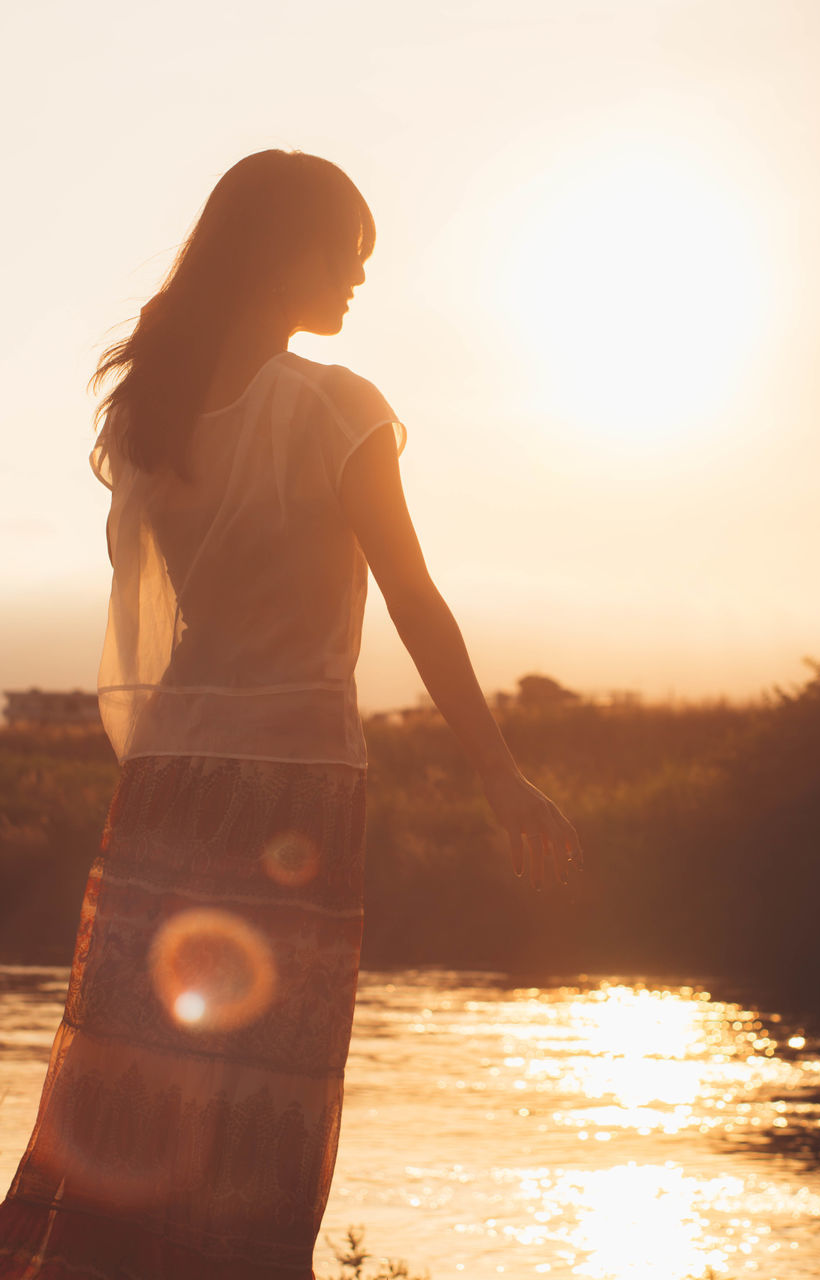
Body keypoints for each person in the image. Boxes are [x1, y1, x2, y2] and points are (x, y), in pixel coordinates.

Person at [0, 149, 582, 1279]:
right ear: (280, 251)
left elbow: (154, 629)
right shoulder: (336, 407)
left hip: (166, 783)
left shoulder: (147, 417)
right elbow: (413, 597)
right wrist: (499, 772)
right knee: (261, 1087)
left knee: (135, 1071)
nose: (361, 276)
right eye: (345, 250)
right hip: (289, 785)